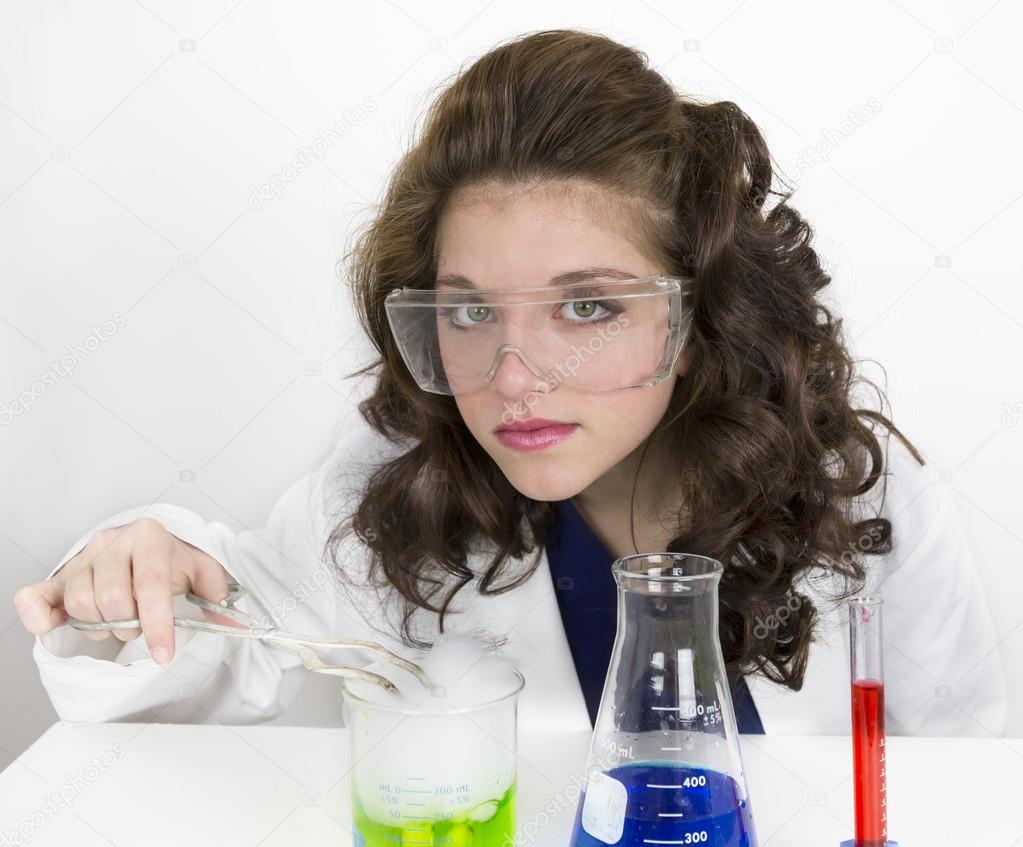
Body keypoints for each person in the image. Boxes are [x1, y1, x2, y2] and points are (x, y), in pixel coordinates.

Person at [13, 29, 1008, 737]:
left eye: (587, 308)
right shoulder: (390, 491)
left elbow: (973, 786)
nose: (512, 378)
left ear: (698, 314)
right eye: (472, 310)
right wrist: (140, 562)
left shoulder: (864, 504)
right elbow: (215, 643)